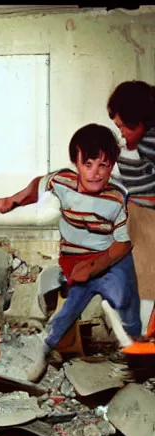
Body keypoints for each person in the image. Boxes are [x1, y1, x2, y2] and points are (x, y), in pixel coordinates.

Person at [0, 123, 142, 358]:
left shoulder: (117, 197)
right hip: (76, 259)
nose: (95, 173)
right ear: (76, 163)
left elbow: (122, 244)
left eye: (103, 165)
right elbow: (38, 186)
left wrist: (93, 267)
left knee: (125, 302)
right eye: (87, 164)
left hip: (110, 259)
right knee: (69, 309)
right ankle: (46, 348)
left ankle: (136, 349)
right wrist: (13, 200)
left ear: (112, 165)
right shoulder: (62, 182)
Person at [107, 80, 155, 339]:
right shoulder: (130, 150)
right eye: (119, 127)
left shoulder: (149, 143)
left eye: (127, 126)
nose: (123, 132)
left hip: (147, 217)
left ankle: (142, 344)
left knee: (146, 287)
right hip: (137, 211)